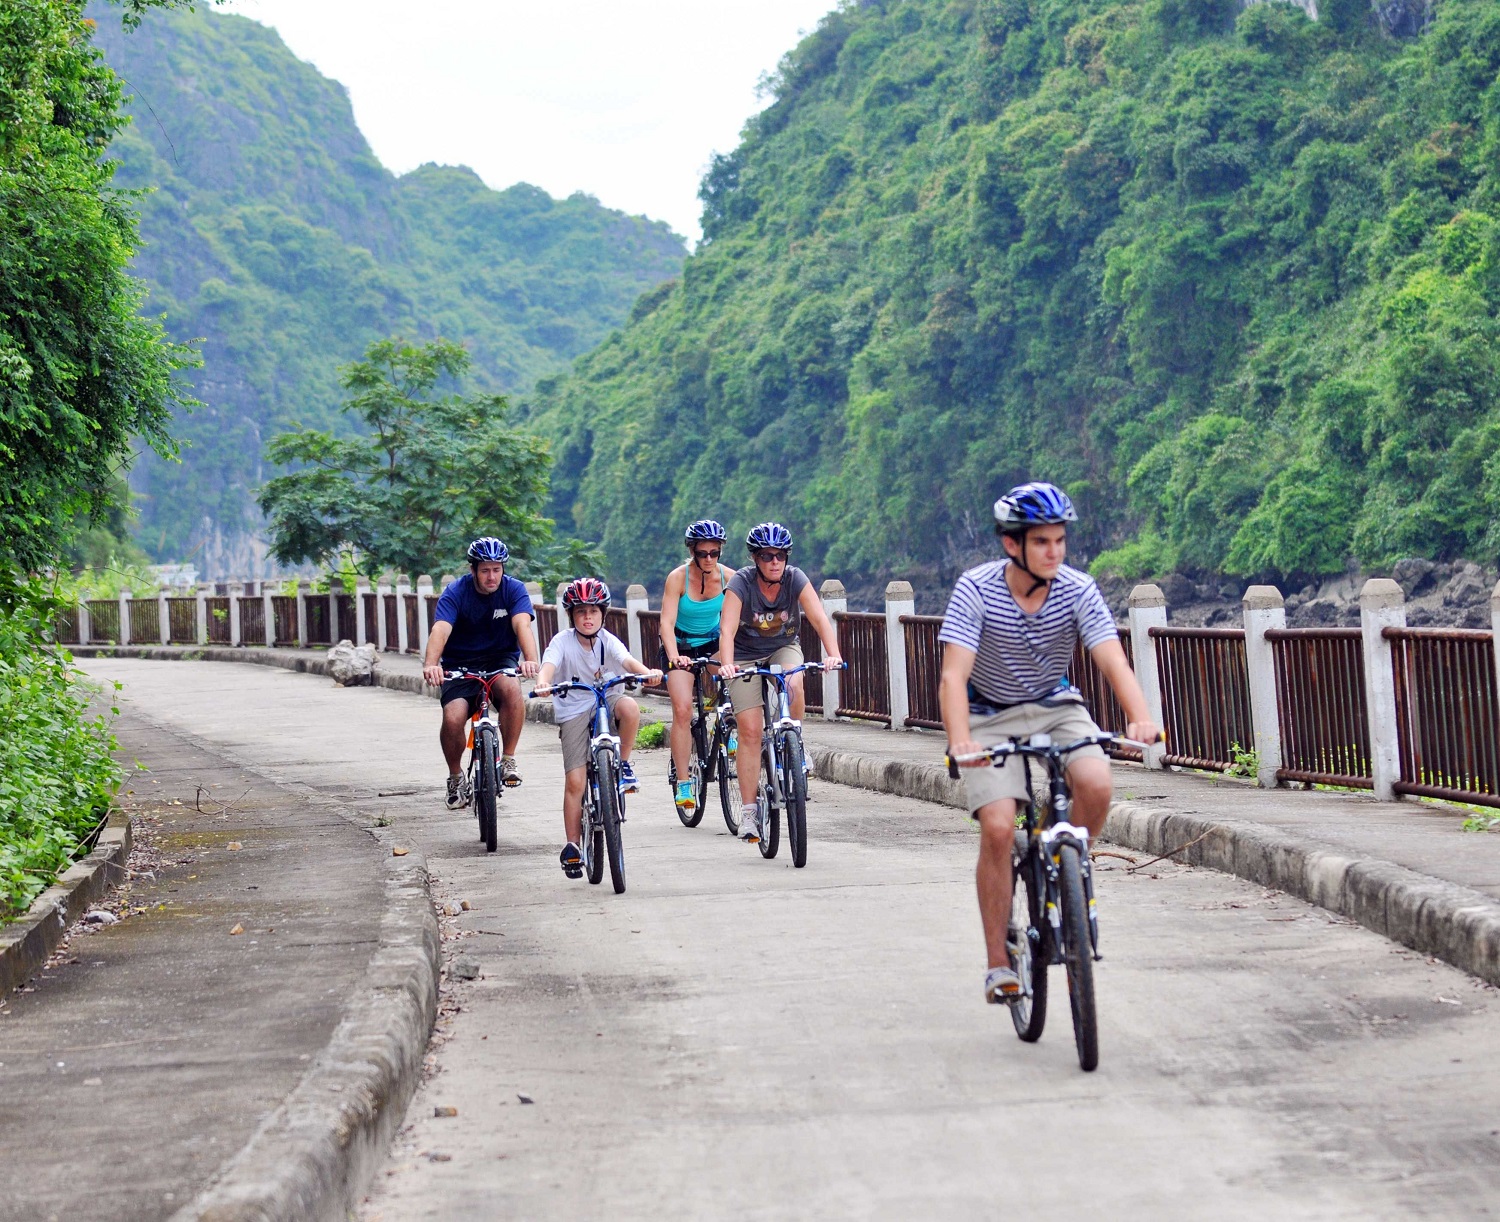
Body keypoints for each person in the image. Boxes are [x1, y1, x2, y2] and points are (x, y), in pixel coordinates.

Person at [937, 482, 1158, 1005]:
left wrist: (1141, 718)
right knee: (996, 826)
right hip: (987, 713)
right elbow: (953, 677)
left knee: (1098, 785)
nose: (1054, 551)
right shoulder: (976, 589)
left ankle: (1067, 867)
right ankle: (998, 963)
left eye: (1059, 540)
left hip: (1057, 705)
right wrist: (960, 739)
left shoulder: (1078, 589)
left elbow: (1111, 659)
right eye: (1042, 542)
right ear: (1013, 544)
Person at [717, 522, 842, 844]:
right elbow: (727, 629)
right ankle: (748, 813)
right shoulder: (741, 584)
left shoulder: (795, 578)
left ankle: (795, 741)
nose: (775, 562)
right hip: (744, 655)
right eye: (767, 556)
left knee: (795, 683)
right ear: (755, 559)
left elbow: (817, 618)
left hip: (782, 646)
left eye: (780, 556)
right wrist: (728, 664)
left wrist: (833, 654)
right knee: (750, 730)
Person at [532, 578, 663, 878]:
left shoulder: (608, 639)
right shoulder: (561, 642)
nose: (587, 617)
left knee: (630, 707)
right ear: (572, 616)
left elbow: (627, 661)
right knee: (575, 782)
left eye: (593, 611)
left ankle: (625, 765)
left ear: (603, 613)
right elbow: (549, 666)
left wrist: (648, 674)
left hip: (608, 698)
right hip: (574, 708)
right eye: (580, 612)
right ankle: (573, 846)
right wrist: (543, 682)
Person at [422, 536, 540, 809]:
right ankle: (455, 777)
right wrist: (432, 664)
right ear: (473, 569)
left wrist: (531, 660)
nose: (491, 576)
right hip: (460, 663)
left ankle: (508, 758)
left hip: (500, 660)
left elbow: (523, 625)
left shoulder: (514, 590)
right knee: (453, 718)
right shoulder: (456, 592)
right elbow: (440, 629)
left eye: (496, 569)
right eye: (485, 570)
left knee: (511, 689)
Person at [659, 519, 734, 816]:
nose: (708, 559)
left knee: (737, 681)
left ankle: (731, 724)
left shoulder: (730, 578)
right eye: (702, 553)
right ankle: (684, 782)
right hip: (681, 644)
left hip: (713, 642)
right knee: (682, 710)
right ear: (692, 552)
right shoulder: (677, 578)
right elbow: (665, 622)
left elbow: (736, 620)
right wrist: (675, 655)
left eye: (714, 553)